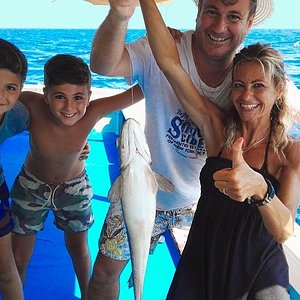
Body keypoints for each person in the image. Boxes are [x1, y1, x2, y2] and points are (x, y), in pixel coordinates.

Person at [86, 0, 297, 298]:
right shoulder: (219, 128)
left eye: (259, 86)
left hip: (237, 251)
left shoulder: (288, 151)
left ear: (278, 90)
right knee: (106, 272)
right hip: (189, 236)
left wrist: (260, 187)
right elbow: (169, 64)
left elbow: (285, 230)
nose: (246, 95)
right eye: (238, 85)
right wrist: (138, 5)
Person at [9, 54, 143, 300]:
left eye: (78, 98)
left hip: (74, 190)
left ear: (89, 95)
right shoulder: (30, 102)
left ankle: (87, 295)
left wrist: (164, 56)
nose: (69, 108)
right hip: (31, 188)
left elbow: (142, 89)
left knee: (79, 250)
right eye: (60, 97)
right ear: (45, 93)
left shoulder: (95, 111)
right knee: (18, 257)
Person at [0, 38, 28, 300]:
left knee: (6, 269)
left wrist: (80, 143)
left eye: (9, 88)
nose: (1, 97)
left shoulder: (17, 116)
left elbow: (45, 119)